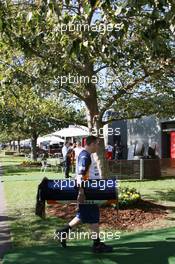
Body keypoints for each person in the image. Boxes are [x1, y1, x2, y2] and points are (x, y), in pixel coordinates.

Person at [55, 136, 113, 253]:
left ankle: (63, 232)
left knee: (83, 215)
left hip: (88, 191)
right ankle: (96, 245)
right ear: (91, 144)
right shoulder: (85, 156)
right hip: (87, 192)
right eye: (97, 144)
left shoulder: (85, 155)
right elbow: (81, 175)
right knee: (93, 217)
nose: (98, 146)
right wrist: (81, 192)